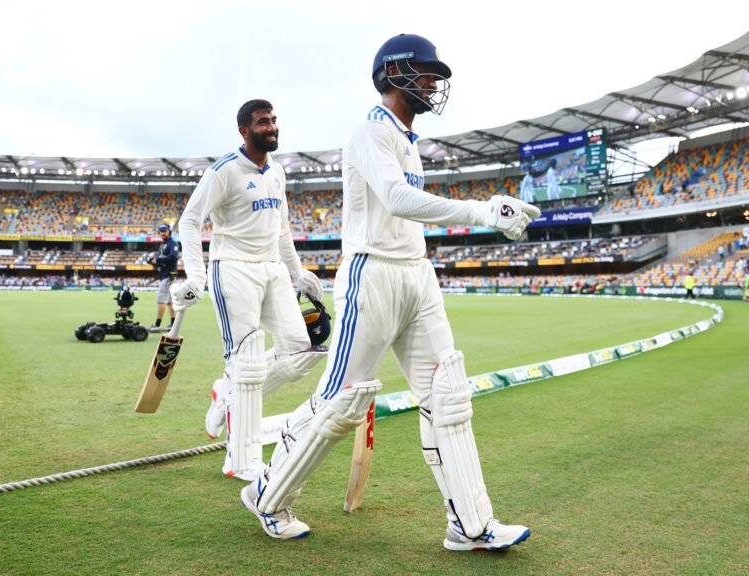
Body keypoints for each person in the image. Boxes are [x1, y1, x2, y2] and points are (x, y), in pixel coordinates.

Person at [240, 34, 540, 551]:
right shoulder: (369, 131)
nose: (433, 83)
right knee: (343, 403)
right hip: (371, 275)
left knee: (449, 396)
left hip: (416, 276)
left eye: (435, 76)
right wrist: (481, 211)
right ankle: (268, 493)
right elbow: (398, 199)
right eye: (425, 73)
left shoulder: (407, 140)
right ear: (392, 73)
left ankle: (470, 525)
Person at [171, 99, 327, 481]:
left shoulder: (277, 171)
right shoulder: (224, 171)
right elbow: (190, 221)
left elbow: (283, 227)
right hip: (234, 268)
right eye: (262, 122)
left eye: (273, 120)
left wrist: (297, 271)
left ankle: (227, 393)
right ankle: (240, 461)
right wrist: (196, 275)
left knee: (303, 350)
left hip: (273, 268)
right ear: (244, 129)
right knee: (247, 362)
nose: (271, 126)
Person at [148, 223, 178, 332]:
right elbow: (160, 261)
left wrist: (158, 260)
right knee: (170, 302)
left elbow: (173, 257)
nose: (162, 233)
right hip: (165, 275)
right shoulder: (163, 245)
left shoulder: (172, 243)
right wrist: (153, 262)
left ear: (169, 231)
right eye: (161, 231)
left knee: (161, 301)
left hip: (168, 276)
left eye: (164, 231)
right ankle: (173, 325)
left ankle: (157, 325)